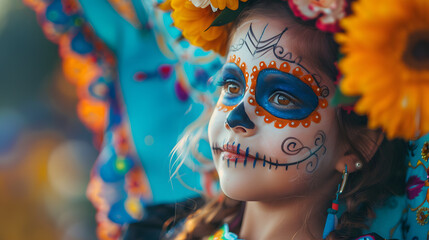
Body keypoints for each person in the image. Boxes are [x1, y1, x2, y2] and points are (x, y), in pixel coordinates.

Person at [165, 0, 408, 239]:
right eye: (231, 86)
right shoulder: (177, 230)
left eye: (282, 98)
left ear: (361, 142)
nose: (235, 118)